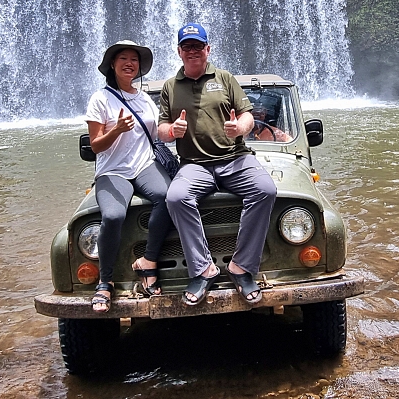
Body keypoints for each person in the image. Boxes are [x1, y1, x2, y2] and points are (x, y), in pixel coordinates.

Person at [158, 23, 278, 306]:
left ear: (207, 49)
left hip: (235, 158)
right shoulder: (170, 87)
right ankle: (203, 269)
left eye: (198, 46)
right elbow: (161, 129)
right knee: (175, 197)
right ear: (179, 52)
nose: (193, 51)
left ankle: (242, 267)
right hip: (194, 164)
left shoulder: (225, 78)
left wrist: (240, 128)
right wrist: (171, 131)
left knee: (265, 190)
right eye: (187, 47)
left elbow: (247, 115)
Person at [84, 40, 174, 313]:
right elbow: (96, 145)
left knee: (169, 197)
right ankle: (105, 281)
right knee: (113, 216)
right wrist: (116, 130)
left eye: (134, 59)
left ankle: (149, 262)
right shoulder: (100, 98)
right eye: (123, 58)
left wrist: (177, 129)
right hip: (113, 171)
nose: (129, 63)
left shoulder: (145, 98)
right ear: (112, 64)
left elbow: (157, 133)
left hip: (144, 166)